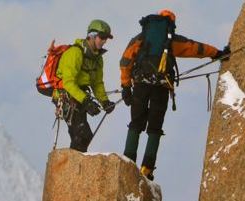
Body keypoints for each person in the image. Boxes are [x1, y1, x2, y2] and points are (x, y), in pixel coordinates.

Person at [119, 9, 230, 180]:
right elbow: (195, 48)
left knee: (136, 124)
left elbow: (125, 60)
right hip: (162, 87)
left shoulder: (141, 38)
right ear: (170, 23)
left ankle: (127, 162)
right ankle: (147, 169)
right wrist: (217, 54)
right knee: (155, 128)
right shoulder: (170, 40)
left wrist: (126, 86)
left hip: (141, 84)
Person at [56, 19, 116, 152]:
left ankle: (74, 168)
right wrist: (86, 101)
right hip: (65, 95)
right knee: (82, 134)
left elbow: (97, 83)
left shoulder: (97, 58)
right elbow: (68, 83)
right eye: (102, 37)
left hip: (80, 97)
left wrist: (105, 102)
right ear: (92, 36)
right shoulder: (75, 53)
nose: (105, 41)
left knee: (83, 136)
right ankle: (72, 169)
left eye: (106, 38)